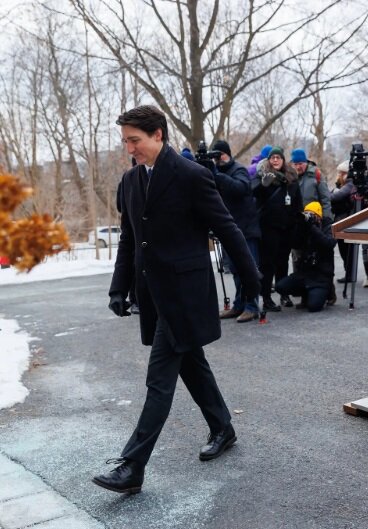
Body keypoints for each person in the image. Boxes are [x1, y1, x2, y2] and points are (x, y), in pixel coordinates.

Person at [94, 105, 260, 494]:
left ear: (158, 135)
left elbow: (227, 227)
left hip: (184, 294)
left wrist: (253, 281)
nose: (129, 149)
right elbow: (131, 240)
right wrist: (119, 288)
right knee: (191, 365)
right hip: (153, 293)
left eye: (135, 140)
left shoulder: (192, 175)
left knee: (160, 379)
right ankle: (223, 426)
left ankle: (133, 465)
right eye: (125, 142)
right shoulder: (131, 181)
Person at [211, 139, 261, 322]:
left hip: (246, 230)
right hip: (229, 231)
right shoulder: (217, 174)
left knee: (249, 269)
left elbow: (241, 188)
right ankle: (239, 305)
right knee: (235, 270)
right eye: (215, 157)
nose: (218, 160)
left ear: (227, 154)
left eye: (220, 155)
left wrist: (217, 174)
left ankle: (252, 306)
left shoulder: (238, 170)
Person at [252, 147, 302, 311]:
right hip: (269, 228)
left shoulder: (292, 179)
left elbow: (297, 204)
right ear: (268, 160)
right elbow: (253, 196)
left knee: (282, 262)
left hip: (287, 228)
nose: (275, 160)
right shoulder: (262, 176)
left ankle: (283, 294)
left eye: (278, 157)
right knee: (268, 264)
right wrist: (263, 186)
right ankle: (266, 297)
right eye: (272, 158)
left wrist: (295, 223)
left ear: (283, 160)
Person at [275, 201, 337, 311]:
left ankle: (328, 292)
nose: (309, 218)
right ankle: (306, 294)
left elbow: (329, 244)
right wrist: (300, 226)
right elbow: (294, 243)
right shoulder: (304, 228)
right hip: (305, 274)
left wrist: (312, 227)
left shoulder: (328, 226)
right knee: (280, 286)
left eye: (312, 215)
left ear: (318, 217)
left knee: (313, 307)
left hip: (321, 276)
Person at [331, 160, 355, 284]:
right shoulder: (342, 185)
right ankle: (348, 273)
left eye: (341, 173)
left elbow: (335, 197)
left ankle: (350, 274)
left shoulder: (349, 185)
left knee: (347, 251)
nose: (338, 175)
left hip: (346, 220)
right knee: (343, 250)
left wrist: (331, 193)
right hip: (342, 219)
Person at [290, 148, 331, 220]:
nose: (298, 167)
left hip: (314, 219)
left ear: (306, 162)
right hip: (296, 220)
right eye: (295, 164)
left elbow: (326, 199)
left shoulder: (316, 174)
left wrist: (326, 219)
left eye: (300, 164)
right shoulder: (290, 177)